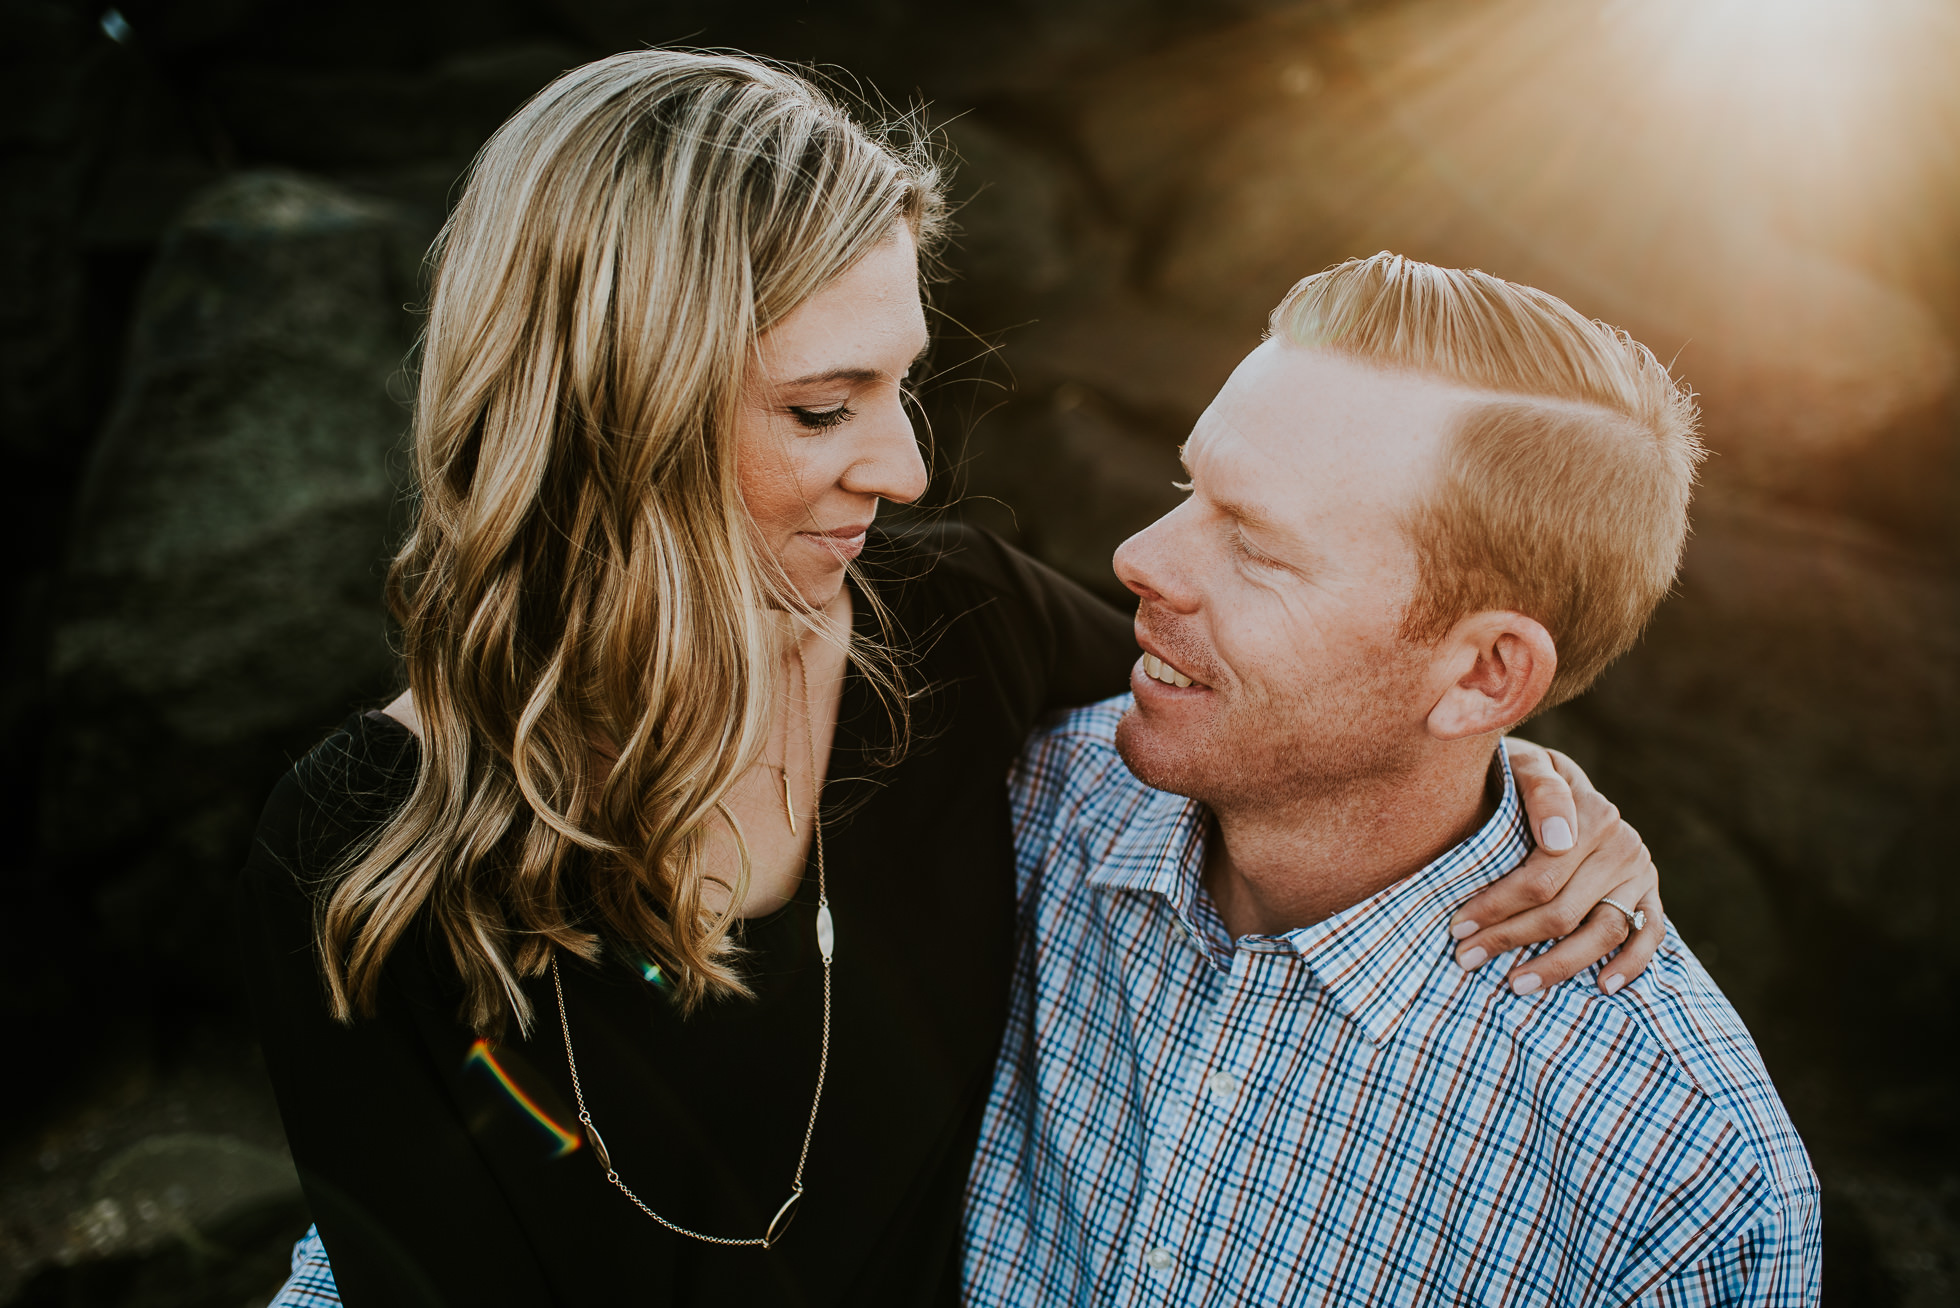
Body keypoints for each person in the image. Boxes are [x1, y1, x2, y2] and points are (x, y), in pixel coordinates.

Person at [238, 54, 1664, 1308]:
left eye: (900, 384)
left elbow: (1317, 703)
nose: (908, 469)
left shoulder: (952, 624)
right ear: (612, 411)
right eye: (821, 407)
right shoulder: (364, 858)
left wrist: (1532, 782)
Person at [962, 253, 1820, 1307]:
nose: (1139, 555)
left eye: (1260, 549)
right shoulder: (1008, 794)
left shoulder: (1680, 1182)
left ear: (1482, 674)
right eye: (1190, 489)